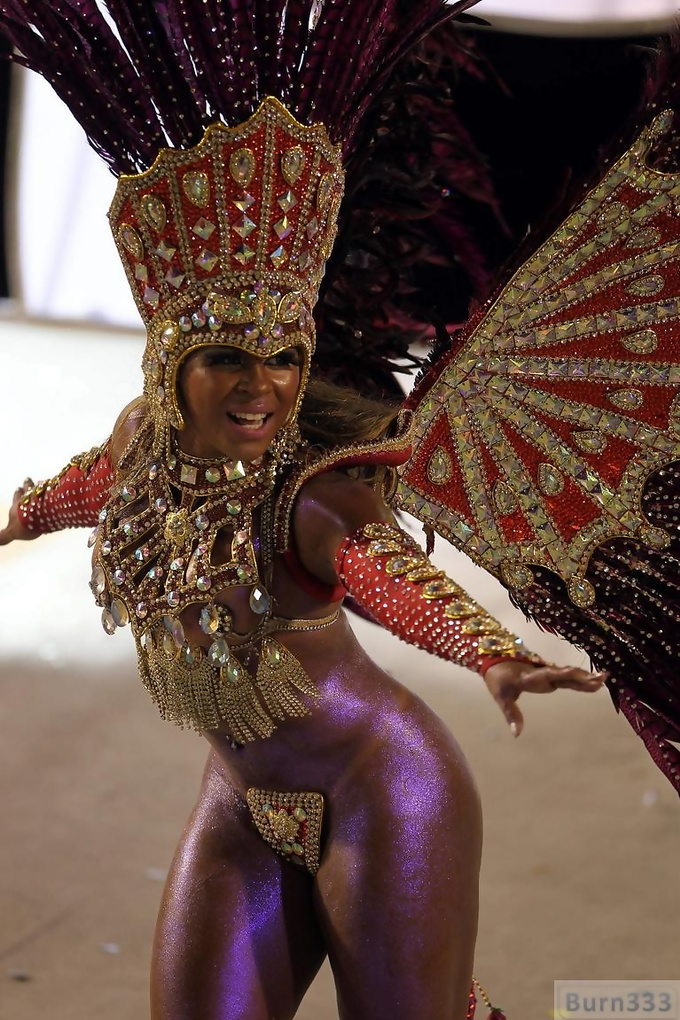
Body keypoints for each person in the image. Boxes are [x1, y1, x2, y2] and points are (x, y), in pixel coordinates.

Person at [1, 2, 677, 1018]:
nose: (261, 387)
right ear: (170, 364)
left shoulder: (313, 493)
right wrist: (22, 515)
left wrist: (490, 653)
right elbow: (88, 488)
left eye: (283, 358)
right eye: (227, 359)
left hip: (385, 796)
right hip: (239, 801)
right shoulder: (145, 443)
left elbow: (390, 577)